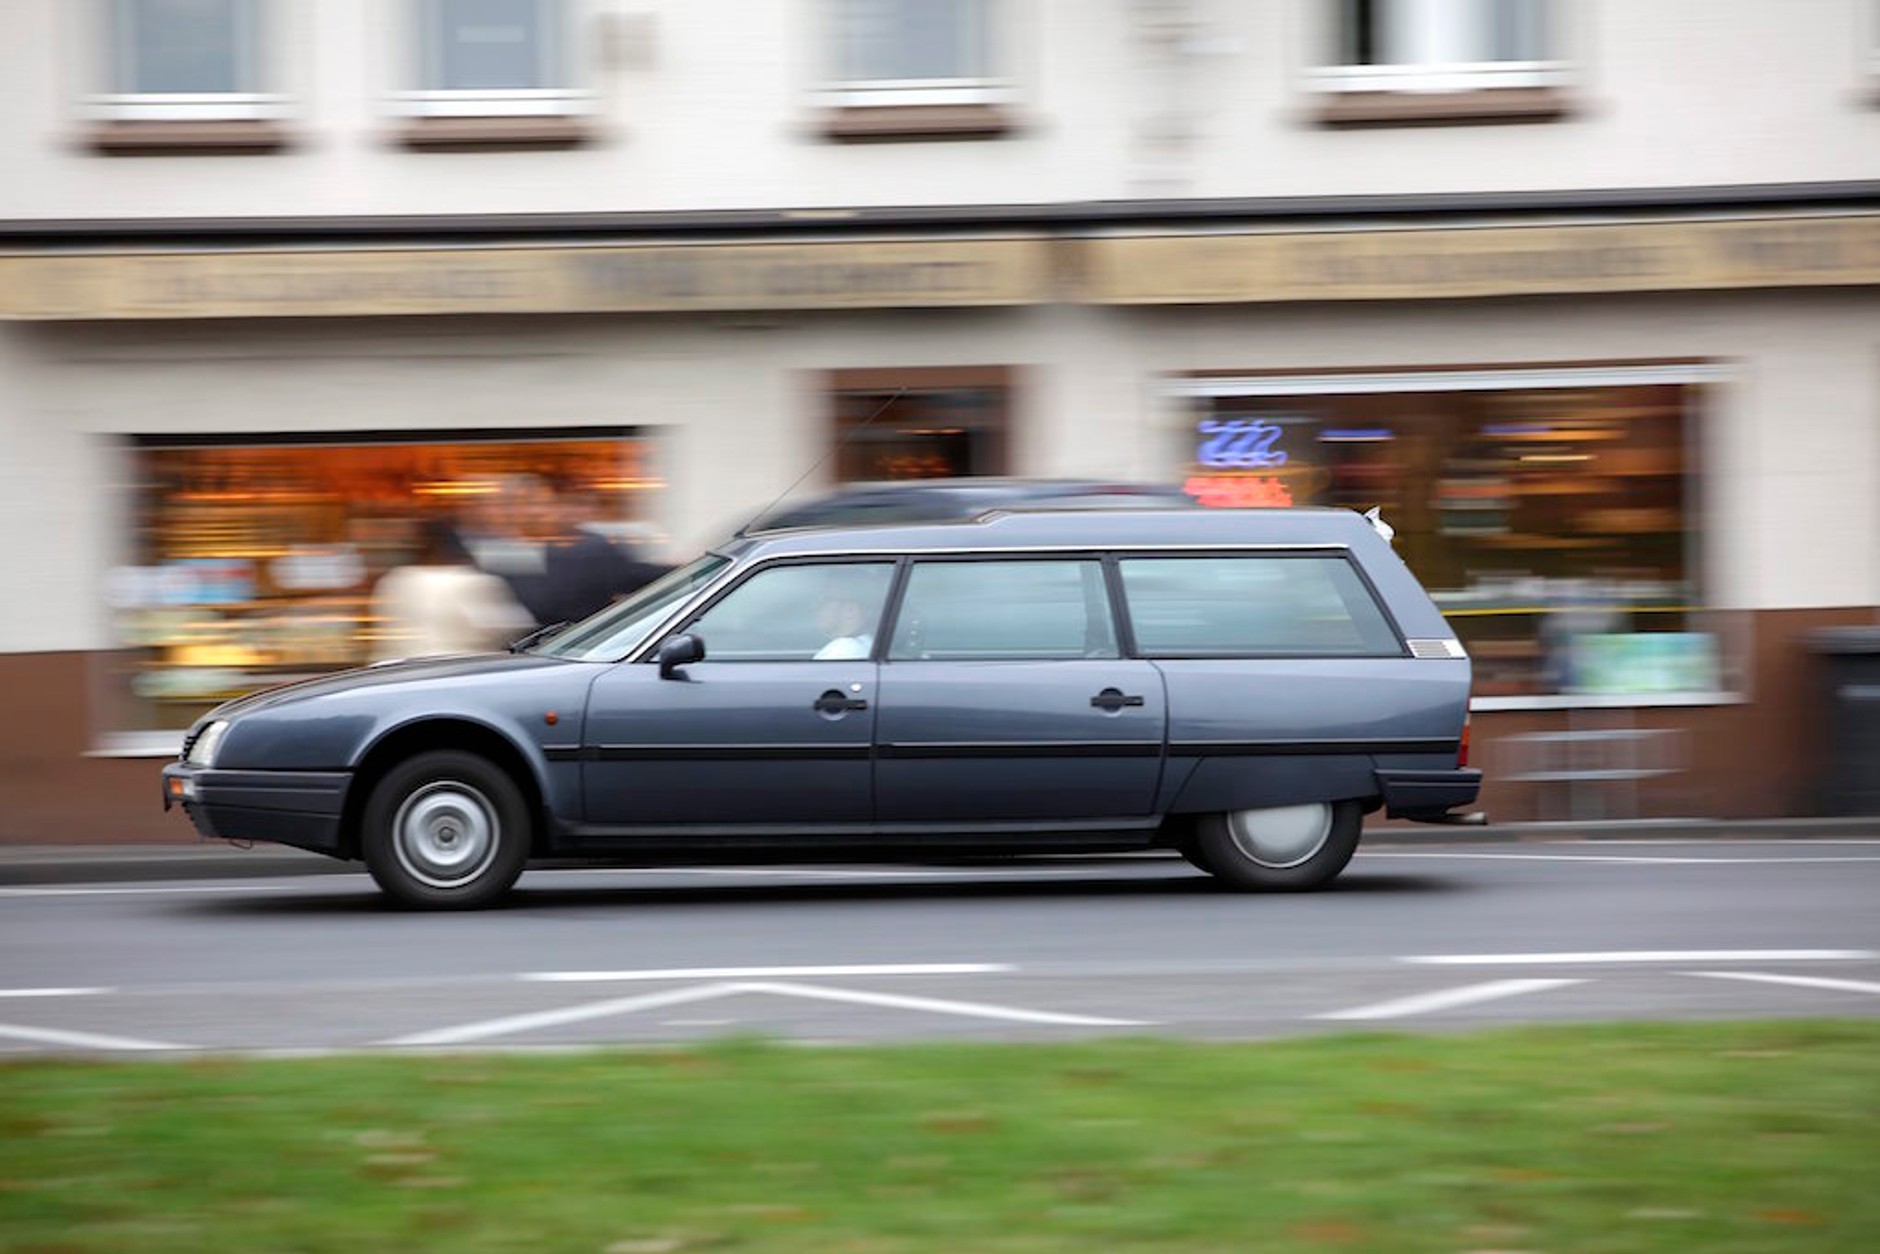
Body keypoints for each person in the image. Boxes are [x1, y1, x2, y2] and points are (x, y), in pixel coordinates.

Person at [369, 517, 534, 662]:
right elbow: (508, 627)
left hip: (398, 671)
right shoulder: (471, 582)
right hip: (454, 670)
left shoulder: (396, 580)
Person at [813, 589, 874, 660]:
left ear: (850, 610)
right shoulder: (865, 644)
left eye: (824, 601)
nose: (815, 608)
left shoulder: (844, 650)